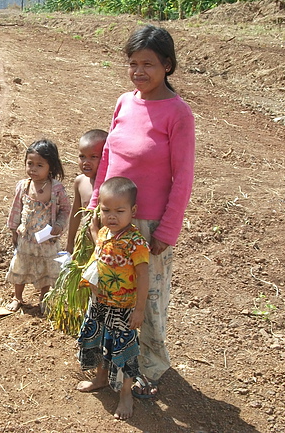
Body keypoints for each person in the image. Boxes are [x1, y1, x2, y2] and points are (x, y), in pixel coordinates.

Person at [87, 25, 196, 398]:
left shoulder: (178, 113)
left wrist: (167, 230)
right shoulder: (124, 101)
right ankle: (107, 364)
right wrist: (93, 208)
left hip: (148, 226)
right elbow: (107, 158)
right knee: (106, 294)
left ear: (167, 65)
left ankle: (148, 368)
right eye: (132, 63)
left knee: (147, 301)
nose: (138, 71)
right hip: (111, 217)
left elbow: (183, 176)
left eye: (147, 64)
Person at [76, 177, 149, 420]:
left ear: (133, 211)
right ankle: (100, 378)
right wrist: (95, 229)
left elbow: (143, 277)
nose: (112, 216)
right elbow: (101, 247)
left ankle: (125, 394)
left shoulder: (136, 242)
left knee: (124, 350)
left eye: (120, 211)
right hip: (100, 303)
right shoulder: (107, 232)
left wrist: (139, 310)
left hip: (124, 308)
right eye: (106, 210)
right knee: (97, 341)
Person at [5, 139, 71, 313]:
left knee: (46, 268)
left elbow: (65, 209)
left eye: (39, 165)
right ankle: (17, 297)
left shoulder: (56, 189)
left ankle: (44, 297)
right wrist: (13, 230)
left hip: (46, 240)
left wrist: (58, 225)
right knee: (21, 265)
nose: (33, 169)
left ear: (51, 166)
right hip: (26, 237)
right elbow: (16, 209)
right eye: (30, 163)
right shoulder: (23, 186)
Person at [65, 129, 108, 255]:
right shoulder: (80, 182)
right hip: (86, 244)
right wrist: (70, 243)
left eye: (93, 157)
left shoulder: (110, 186)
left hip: (107, 247)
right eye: (82, 156)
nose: (86, 162)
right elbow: (75, 214)